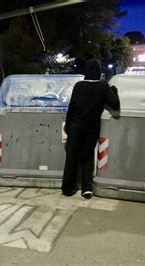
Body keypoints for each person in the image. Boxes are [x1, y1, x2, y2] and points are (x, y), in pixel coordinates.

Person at [61, 59, 120, 199]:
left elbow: (71, 108)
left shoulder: (79, 86)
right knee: (87, 157)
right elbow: (115, 105)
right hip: (91, 128)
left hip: (75, 126)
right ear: (99, 71)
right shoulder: (103, 87)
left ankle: (68, 188)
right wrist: (114, 90)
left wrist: (68, 127)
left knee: (71, 157)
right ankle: (86, 188)